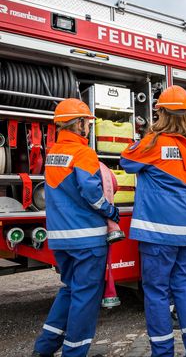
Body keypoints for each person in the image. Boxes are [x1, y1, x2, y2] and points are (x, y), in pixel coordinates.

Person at [120, 85, 186, 357]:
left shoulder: (153, 142)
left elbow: (126, 161)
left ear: (161, 113)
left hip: (158, 231)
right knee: (184, 287)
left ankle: (162, 352)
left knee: (156, 291)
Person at [32, 98, 120, 357]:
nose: (89, 127)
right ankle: (74, 353)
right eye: (88, 123)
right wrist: (110, 210)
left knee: (71, 289)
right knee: (85, 297)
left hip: (61, 239)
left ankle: (44, 347)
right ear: (78, 124)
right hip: (87, 240)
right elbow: (92, 193)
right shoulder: (83, 153)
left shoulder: (53, 153)